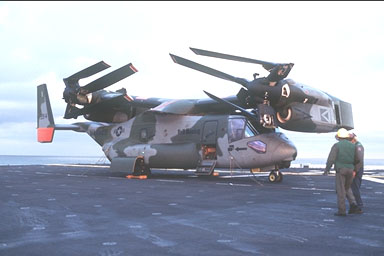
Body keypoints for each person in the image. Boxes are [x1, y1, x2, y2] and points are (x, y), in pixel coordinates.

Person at [323, 128, 362, 216]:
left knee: (341, 190)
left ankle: (342, 211)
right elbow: (358, 159)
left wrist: (327, 170)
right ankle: (354, 204)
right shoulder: (353, 146)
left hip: (341, 170)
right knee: (347, 188)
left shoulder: (336, 146)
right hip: (350, 169)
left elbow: (331, 159)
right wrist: (354, 169)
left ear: (338, 137)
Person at [350, 132, 364, 209]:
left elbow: (359, 160)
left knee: (355, 187)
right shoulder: (355, 146)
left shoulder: (358, 146)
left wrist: (355, 171)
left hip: (357, 169)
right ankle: (357, 203)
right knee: (354, 187)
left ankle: (359, 203)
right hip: (356, 168)